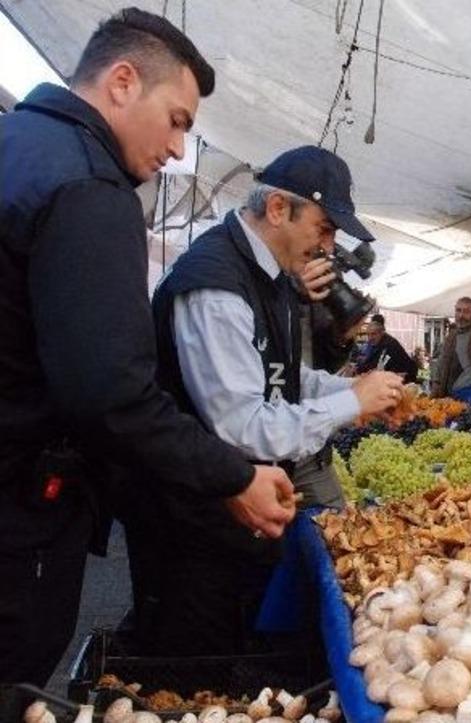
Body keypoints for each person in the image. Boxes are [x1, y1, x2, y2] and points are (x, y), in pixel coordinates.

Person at [0, 7, 295, 693]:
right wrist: (232, 476)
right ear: (123, 81)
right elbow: (110, 391)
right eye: (178, 120)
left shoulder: (14, 145)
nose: (178, 148)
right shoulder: (88, 187)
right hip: (17, 512)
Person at [140, 146, 406, 655]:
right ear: (280, 209)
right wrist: (351, 403)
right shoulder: (217, 284)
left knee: (245, 651)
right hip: (191, 527)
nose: (327, 246)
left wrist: (360, 390)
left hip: (237, 517)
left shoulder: (271, 281)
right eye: (324, 228)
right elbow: (243, 425)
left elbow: (285, 380)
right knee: (199, 666)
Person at [354, 314, 419, 383]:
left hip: (405, 380)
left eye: (373, 334)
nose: (370, 338)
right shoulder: (379, 343)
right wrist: (358, 369)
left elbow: (377, 364)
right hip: (394, 379)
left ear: (381, 333)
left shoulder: (389, 344)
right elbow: (372, 362)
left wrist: (358, 370)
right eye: (368, 334)